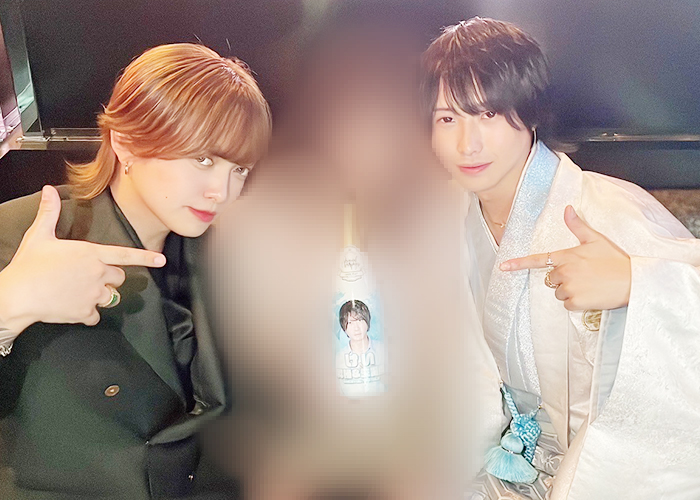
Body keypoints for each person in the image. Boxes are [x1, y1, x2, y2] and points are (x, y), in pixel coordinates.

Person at [422, 17, 700, 499]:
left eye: (489, 114)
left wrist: (636, 281)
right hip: (495, 459)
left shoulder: (605, 210)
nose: (467, 143)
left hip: (596, 469)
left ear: (530, 113)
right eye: (448, 118)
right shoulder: (437, 219)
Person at [0, 43, 271, 499]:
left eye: (239, 169)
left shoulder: (220, 255)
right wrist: (9, 306)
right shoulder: (21, 233)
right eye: (203, 160)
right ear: (125, 142)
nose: (221, 191)